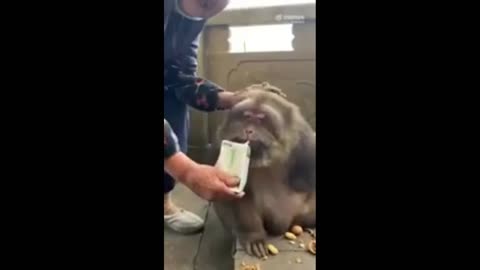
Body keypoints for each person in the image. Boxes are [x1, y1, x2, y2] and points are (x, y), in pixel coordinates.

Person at [164, 0, 239, 234]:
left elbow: (178, 76)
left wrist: (228, 99)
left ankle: (163, 203)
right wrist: (186, 170)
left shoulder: (189, 16)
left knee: (174, 116)